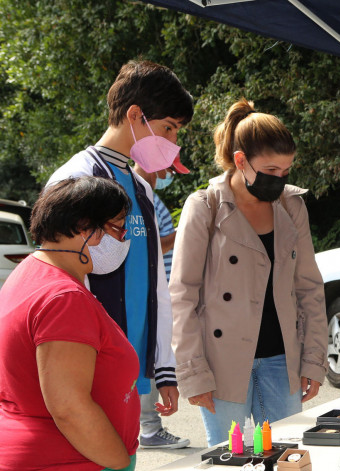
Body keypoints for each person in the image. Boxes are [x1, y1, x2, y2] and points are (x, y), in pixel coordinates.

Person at [46, 59, 193, 449]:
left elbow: (156, 287)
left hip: (133, 373)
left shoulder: (141, 190)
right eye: (168, 129)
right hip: (89, 371)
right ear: (134, 115)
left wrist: (164, 370)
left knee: (124, 457)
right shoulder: (75, 181)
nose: (172, 142)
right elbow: (59, 284)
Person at [170, 98, 329, 446]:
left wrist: (314, 361)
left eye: (286, 172)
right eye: (271, 170)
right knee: (231, 462)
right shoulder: (205, 207)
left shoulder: (292, 206)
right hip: (222, 364)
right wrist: (194, 374)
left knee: (286, 458)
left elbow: (309, 289)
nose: (280, 179)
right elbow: (182, 295)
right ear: (241, 160)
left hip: (281, 360)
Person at [0, 177, 137, 470]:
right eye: (116, 228)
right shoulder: (63, 298)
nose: (122, 239)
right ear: (85, 227)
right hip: (71, 460)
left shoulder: (29, 271)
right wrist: (119, 462)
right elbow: (69, 408)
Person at [131, 163, 187, 448]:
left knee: (152, 360)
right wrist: (182, 232)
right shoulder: (137, 194)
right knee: (148, 362)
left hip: (155, 291)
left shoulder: (148, 194)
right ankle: (150, 429)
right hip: (148, 292)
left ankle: (149, 427)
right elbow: (150, 245)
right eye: (169, 169)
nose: (169, 176)